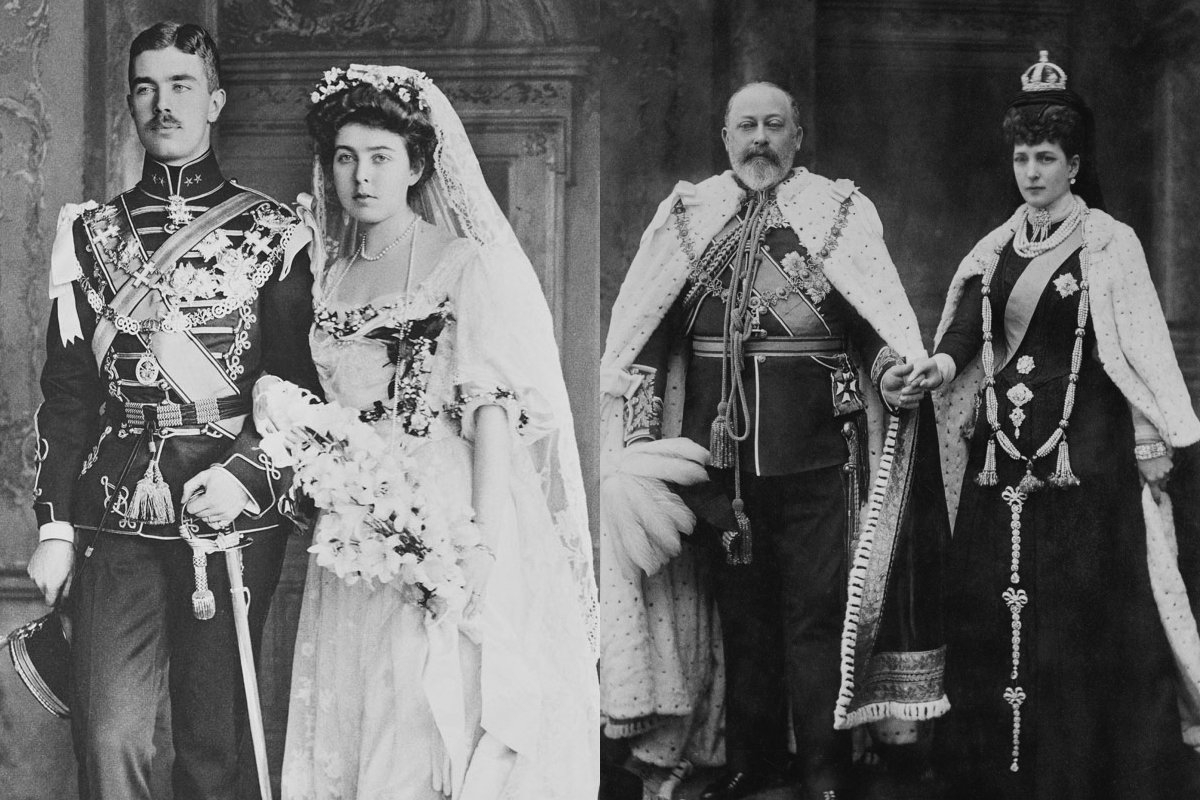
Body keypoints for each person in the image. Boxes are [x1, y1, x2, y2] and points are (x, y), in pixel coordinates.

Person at [600, 81, 949, 800]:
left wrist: (896, 380)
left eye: (774, 126)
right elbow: (645, 340)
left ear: (798, 137)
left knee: (814, 617)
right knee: (743, 617)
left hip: (818, 458)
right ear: (724, 137)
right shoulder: (688, 217)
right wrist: (639, 445)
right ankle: (755, 766)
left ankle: (825, 772)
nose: (760, 139)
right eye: (746, 126)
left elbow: (876, 337)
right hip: (712, 466)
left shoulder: (841, 215)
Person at [272, 64, 598, 800]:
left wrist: (481, 542)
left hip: (443, 511)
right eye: (346, 157)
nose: (362, 177)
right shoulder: (326, 272)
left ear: (417, 165)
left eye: (381, 158)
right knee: (355, 705)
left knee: (424, 710)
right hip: (351, 520)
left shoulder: (461, 265)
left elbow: (490, 409)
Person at [24, 21, 320, 800]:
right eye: (147, 87)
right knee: (108, 734)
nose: (164, 103)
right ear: (131, 102)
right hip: (114, 504)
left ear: (215, 100)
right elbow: (67, 392)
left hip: (230, 510)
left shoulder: (277, 235)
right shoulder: (88, 237)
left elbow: (301, 386)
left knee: (213, 745)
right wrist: (54, 524)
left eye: (183, 85)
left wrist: (252, 474)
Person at [908, 51, 1200, 799]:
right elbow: (965, 336)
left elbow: (1138, 350)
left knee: (1077, 621)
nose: (1031, 172)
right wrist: (940, 369)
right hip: (1003, 460)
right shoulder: (996, 247)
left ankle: (1082, 777)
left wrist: (1151, 437)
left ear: (1075, 164)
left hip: (1087, 460)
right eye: (1021, 157)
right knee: (991, 610)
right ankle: (1001, 778)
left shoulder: (1111, 243)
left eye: (1046, 158)